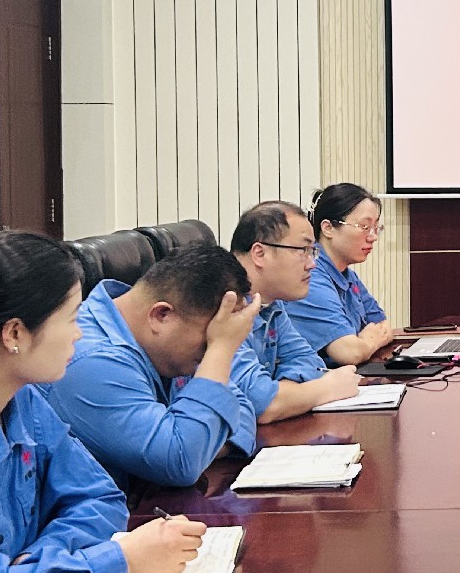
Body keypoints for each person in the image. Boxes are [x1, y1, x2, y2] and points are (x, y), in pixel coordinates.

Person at [0, 231, 205, 573]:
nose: (79, 333)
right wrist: (117, 561)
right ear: (14, 334)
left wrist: (42, 561)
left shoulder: (24, 401)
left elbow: (101, 498)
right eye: (71, 318)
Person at [45, 244, 261, 490]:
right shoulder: (91, 361)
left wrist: (202, 441)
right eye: (208, 342)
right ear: (162, 315)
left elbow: (244, 411)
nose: (209, 359)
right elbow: (181, 461)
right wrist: (220, 349)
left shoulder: (164, 348)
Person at [229, 201, 362, 422]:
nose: (312, 264)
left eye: (313, 252)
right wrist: (326, 389)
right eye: (302, 250)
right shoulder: (224, 305)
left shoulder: (270, 302)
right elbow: (266, 406)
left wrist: (286, 392)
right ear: (259, 253)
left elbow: (307, 358)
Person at [284, 183, 393, 365]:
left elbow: (383, 326)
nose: (373, 237)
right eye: (364, 227)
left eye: (376, 228)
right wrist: (367, 342)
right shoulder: (310, 277)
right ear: (328, 228)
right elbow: (349, 352)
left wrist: (365, 343)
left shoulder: (347, 275)